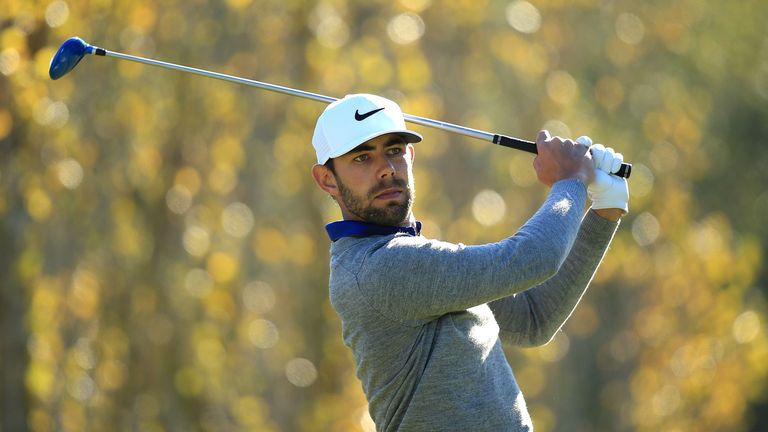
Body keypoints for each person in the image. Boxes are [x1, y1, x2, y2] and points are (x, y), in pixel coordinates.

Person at [310, 94, 629, 431]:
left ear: (411, 156)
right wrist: (571, 180)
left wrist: (605, 210)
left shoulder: (416, 259)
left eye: (394, 151)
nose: (387, 169)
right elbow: (535, 256)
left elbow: (533, 318)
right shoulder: (380, 268)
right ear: (327, 179)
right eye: (362, 158)